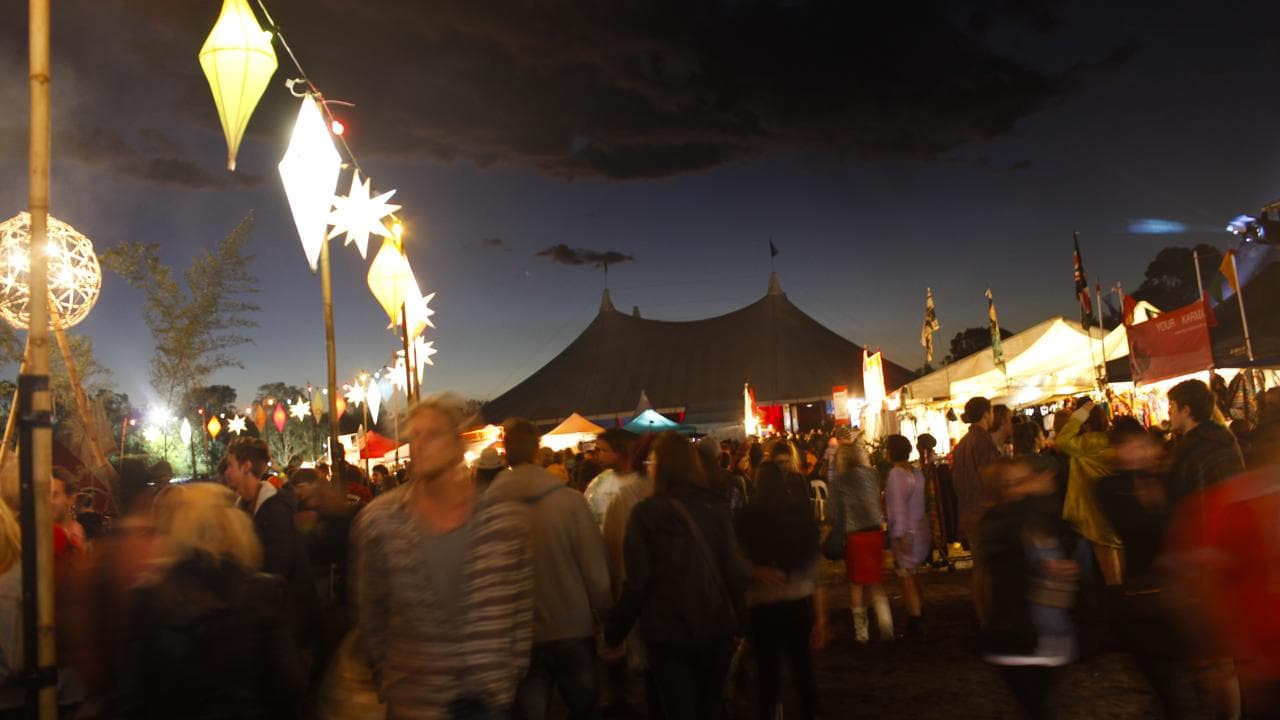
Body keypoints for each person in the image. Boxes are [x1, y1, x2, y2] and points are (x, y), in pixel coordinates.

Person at [353, 393, 534, 719]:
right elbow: (372, 612)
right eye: (415, 435)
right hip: (416, 699)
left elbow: (520, 607)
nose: (419, 444)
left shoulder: (503, 521)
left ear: (457, 444)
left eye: (432, 434)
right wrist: (390, 677)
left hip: (488, 698)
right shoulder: (381, 522)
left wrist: (508, 671)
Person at [109, 482, 304, 718]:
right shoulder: (263, 592)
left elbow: (131, 695)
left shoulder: (151, 596)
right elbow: (289, 684)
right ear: (234, 525)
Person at [605, 432, 745, 720]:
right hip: (715, 627)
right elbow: (732, 569)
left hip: (668, 633)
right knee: (712, 705)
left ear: (661, 467)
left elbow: (637, 583)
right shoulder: (714, 507)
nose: (649, 466)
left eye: (652, 460)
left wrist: (615, 630)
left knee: (678, 708)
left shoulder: (645, 514)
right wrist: (741, 620)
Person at [486, 419, 612, 720]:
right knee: (585, 709)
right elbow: (595, 573)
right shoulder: (570, 502)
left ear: (506, 454)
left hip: (517, 633)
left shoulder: (487, 509)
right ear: (538, 452)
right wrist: (607, 619)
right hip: (572, 626)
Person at [977, 455, 1078, 720]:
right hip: (1017, 632)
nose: (1025, 485)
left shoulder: (1037, 514)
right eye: (1017, 482)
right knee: (1036, 704)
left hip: (1043, 631)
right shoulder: (1001, 520)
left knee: (1039, 704)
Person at [735, 462, 825, 720]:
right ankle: (810, 712)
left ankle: (772, 712)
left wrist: (755, 571)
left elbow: (735, 560)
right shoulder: (800, 516)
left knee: (767, 671)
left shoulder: (745, 517)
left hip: (762, 604)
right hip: (798, 600)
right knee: (802, 667)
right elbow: (813, 570)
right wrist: (820, 616)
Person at [223, 437, 321, 648]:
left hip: (289, 624)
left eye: (230, 465)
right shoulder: (243, 509)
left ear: (246, 466)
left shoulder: (275, 511)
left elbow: (276, 571)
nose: (226, 472)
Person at [827, 428, 892, 643]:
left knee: (856, 584)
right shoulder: (871, 475)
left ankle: (861, 633)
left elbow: (833, 512)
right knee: (875, 581)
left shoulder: (838, 481)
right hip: (875, 533)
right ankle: (885, 622)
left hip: (854, 535)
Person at [1056, 399, 1123, 586]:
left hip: (1091, 512)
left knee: (1105, 573)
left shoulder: (1088, 442)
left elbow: (1061, 441)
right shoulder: (1111, 440)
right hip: (1111, 509)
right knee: (1115, 566)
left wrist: (1079, 414)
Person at [1165, 379, 1245, 507]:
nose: (1169, 412)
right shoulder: (1223, 438)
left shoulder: (1193, 449)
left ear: (1186, 410)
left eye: (1172, 406)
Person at [885, 434, 928, 638]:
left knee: (905, 575)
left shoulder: (896, 475)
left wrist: (899, 533)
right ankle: (920, 610)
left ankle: (916, 617)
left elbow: (898, 507)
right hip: (920, 529)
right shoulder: (917, 472)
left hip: (906, 532)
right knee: (914, 573)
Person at [951, 397, 1001, 549]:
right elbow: (990, 475)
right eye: (991, 412)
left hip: (968, 510)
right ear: (986, 414)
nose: (993, 416)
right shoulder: (983, 440)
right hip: (984, 511)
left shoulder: (963, 443)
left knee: (979, 561)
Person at [584, 429, 641, 527]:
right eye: (597, 450)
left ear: (621, 451)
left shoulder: (643, 481)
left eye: (603, 450)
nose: (598, 455)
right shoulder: (599, 482)